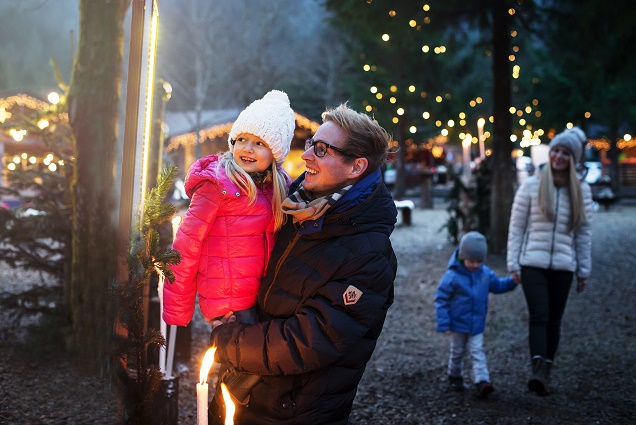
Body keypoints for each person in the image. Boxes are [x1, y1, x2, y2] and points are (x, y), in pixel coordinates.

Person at [207, 103, 398, 425]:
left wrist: (227, 339)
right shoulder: (295, 210)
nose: (307, 155)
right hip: (244, 393)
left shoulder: (370, 254)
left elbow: (309, 341)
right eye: (311, 143)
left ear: (356, 168)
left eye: (322, 150)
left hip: (290, 412)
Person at [162, 90, 295, 327]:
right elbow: (186, 246)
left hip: (264, 297)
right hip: (229, 306)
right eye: (241, 139)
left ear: (275, 152)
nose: (247, 148)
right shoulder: (217, 186)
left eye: (259, 143)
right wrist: (177, 312)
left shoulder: (280, 187)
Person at [507, 126, 593, 396]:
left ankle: (546, 370)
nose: (558, 156)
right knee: (539, 315)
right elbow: (517, 227)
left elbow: (583, 233)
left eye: (565, 153)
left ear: (573, 158)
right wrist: (513, 263)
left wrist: (583, 269)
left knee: (555, 320)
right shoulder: (532, 185)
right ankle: (537, 369)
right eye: (555, 150)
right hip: (533, 262)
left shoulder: (581, 191)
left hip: (564, 266)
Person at [434, 231, 517, 399]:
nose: (475, 265)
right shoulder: (452, 276)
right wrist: (444, 321)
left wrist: (513, 281)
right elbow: (441, 298)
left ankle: (482, 381)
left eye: (479, 261)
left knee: (477, 351)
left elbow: (498, 286)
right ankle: (455, 375)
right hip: (458, 324)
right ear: (463, 256)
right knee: (457, 351)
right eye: (471, 261)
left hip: (476, 324)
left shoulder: (485, 274)